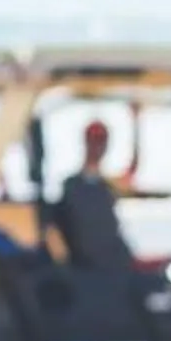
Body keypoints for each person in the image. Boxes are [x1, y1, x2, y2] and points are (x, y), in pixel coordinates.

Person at [56, 117, 137, 273]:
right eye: (94, 140)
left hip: (112, 263)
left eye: (101, 140)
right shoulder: (72, 186)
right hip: (84, 266)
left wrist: (136, 121)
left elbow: (131, 171)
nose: (97, 146)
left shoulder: (107, 186)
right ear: (86, 142)